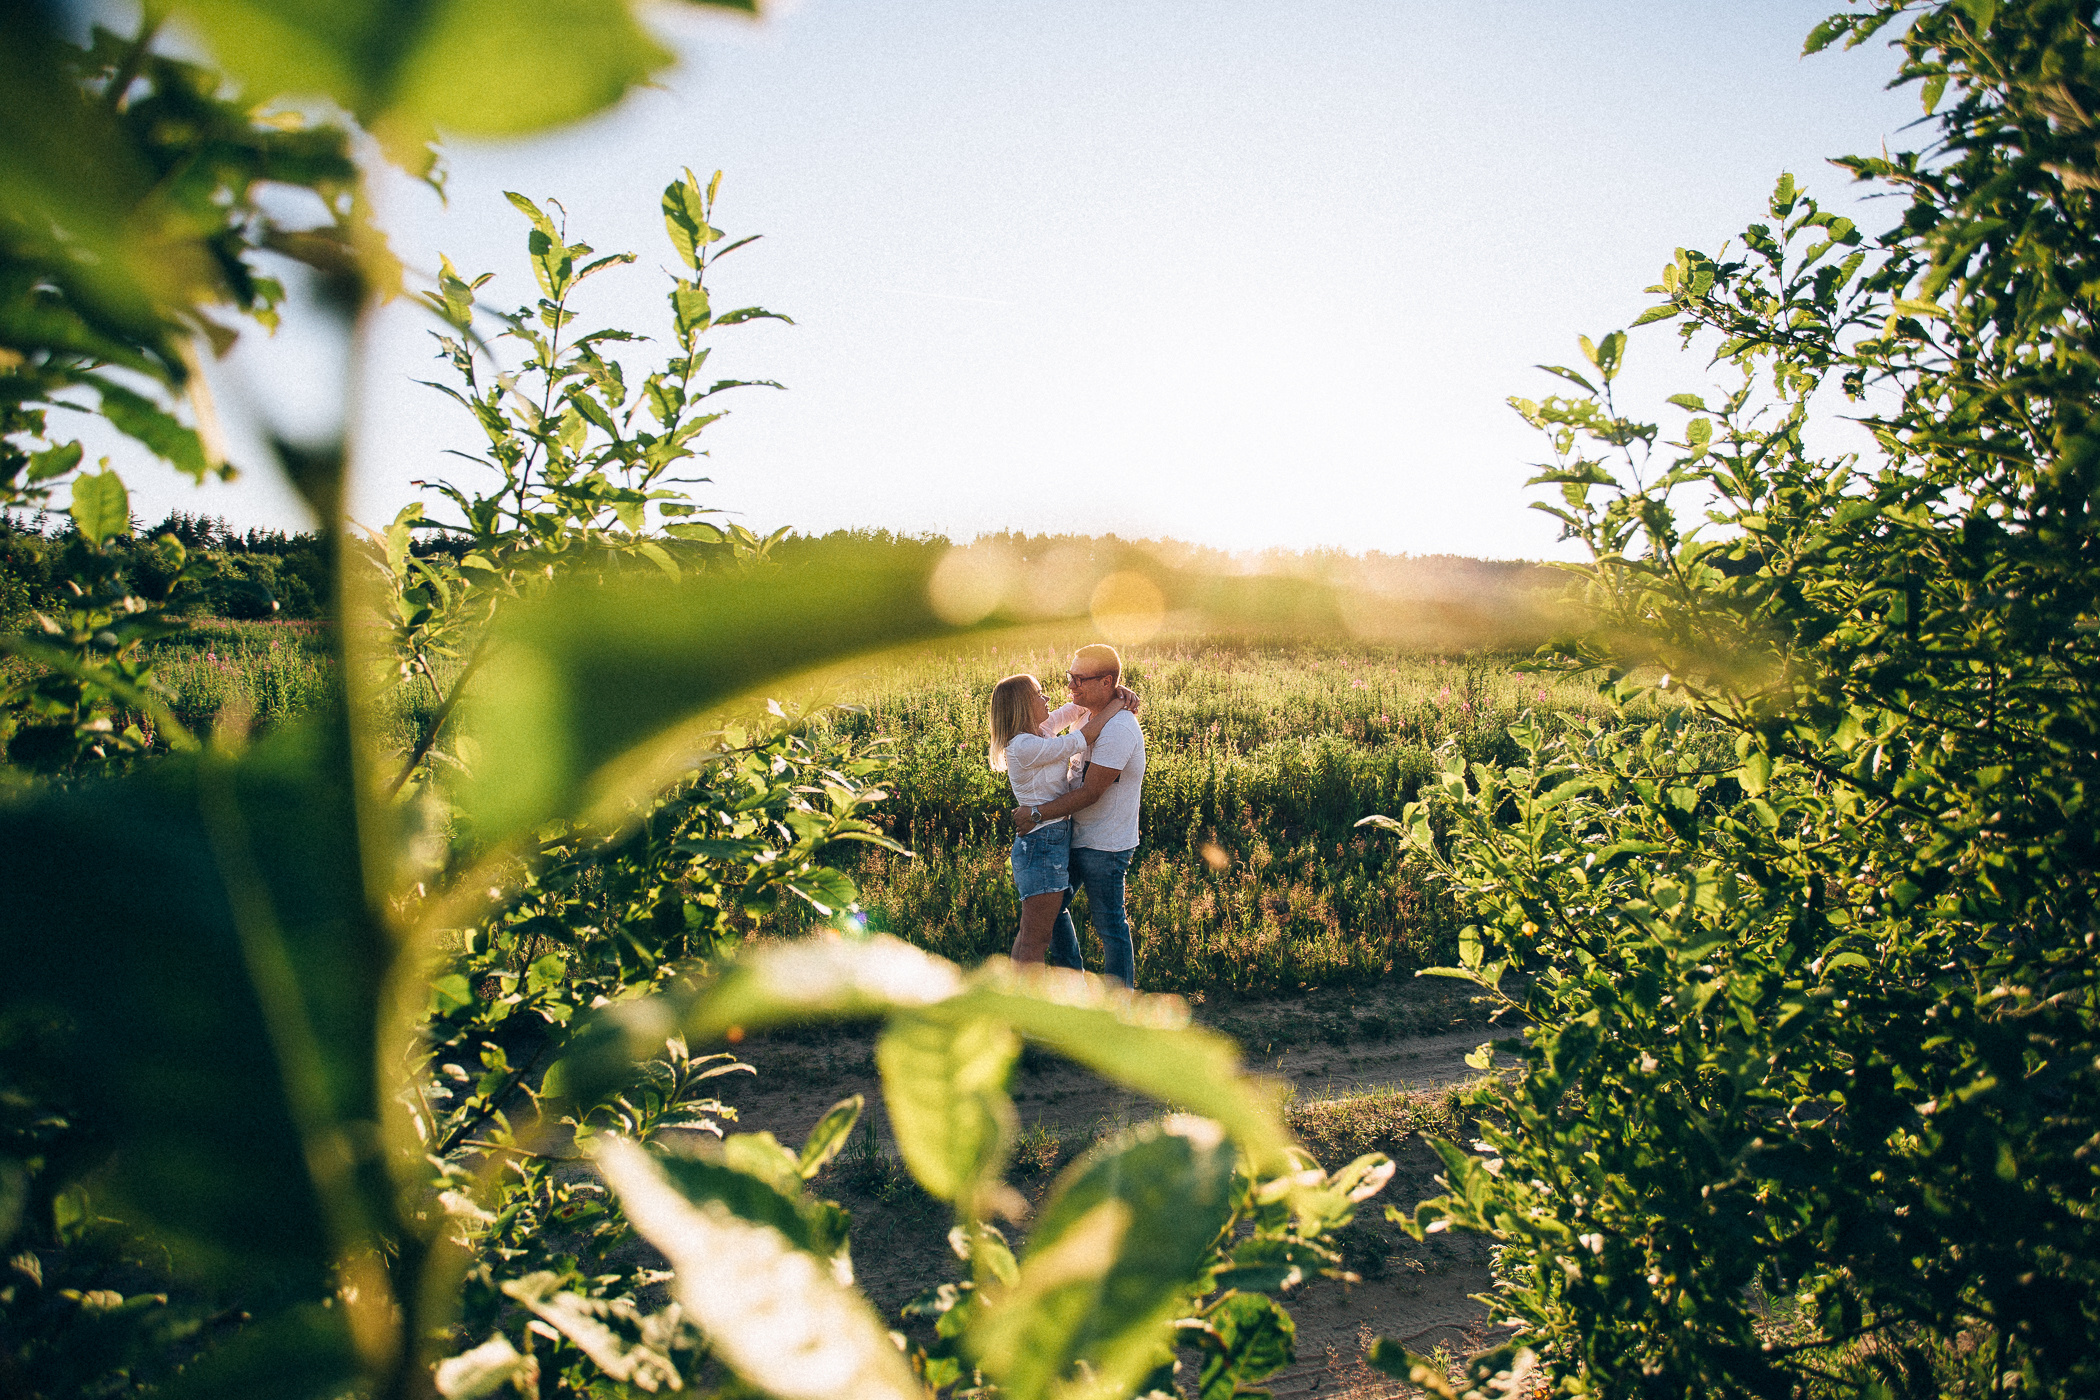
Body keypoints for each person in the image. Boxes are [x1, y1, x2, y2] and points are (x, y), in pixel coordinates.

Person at [1014, 643, 1147, 987]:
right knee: (1053, 913)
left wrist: (1037, 814)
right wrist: (1119, 695)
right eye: (1069, 677)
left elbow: (1090, 792)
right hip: (1072, 836)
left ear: (1105, 681)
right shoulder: (1086, 712)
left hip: (1104, 844)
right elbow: (1060, 717)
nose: (1070, 686)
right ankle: (1076, 989)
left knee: (1109, 926)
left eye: (1078, 679)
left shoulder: (1118, 729)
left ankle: (1119, 1006)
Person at [987, 671, 1131, 967]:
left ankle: (1020, 1002)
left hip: (1048, 840)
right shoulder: (1025, 746)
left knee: (1032, 934)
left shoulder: (1042, 730)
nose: (1047, 698)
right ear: (1023, 705)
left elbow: (1076, 708)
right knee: (1035, 940)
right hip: (1042, 845)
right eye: (1039, 694)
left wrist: (1118, 690)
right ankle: (1025, 1009)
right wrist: (1117, 704)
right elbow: (1086, 736)